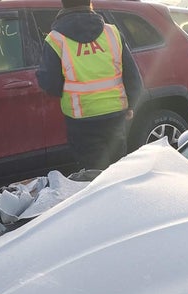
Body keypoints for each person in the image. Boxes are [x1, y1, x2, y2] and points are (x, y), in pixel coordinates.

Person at [37, 0, 143, 170]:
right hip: (115, 113)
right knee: (119, 171)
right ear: (90, 2)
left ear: (63, 4)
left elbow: (51, 85)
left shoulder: (55, 39)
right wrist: (131, 105)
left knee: (93, 175)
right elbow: (133, 75)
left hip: (81, 118)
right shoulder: (112, 32)